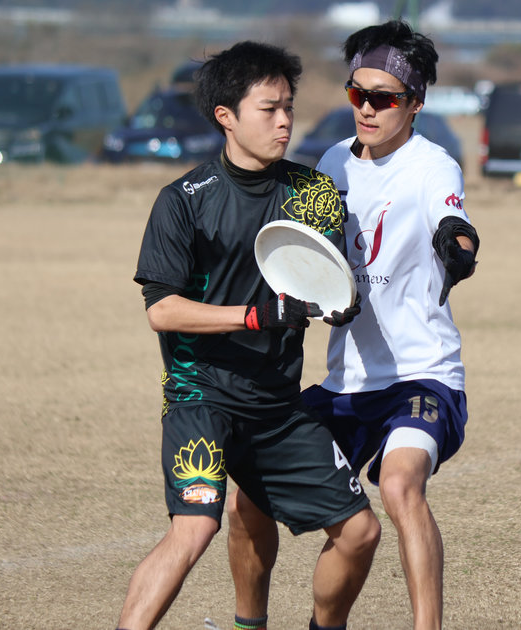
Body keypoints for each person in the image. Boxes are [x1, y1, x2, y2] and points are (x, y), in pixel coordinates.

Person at [117, 41, 380, 630]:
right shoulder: (183, 202)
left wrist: (339, 305)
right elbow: (163, 311)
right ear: (226, 116)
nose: (285, 121)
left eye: (289, 107)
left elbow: (328, 281)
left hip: (277, 408)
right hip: (201, 396)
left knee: (361, 532)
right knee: (194, 529)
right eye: (269, 109)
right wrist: (254, 316)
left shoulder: (313, 194)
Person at [227, 20, 479, 630]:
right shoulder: (334, 161)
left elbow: (455, 224)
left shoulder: (433, 167)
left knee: (398, 486)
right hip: (346, 382)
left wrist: (458, 246)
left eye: (383, 98)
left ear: (415, 104)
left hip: (422, 377)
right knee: (247, 497)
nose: (366, 108)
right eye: (356, 93)